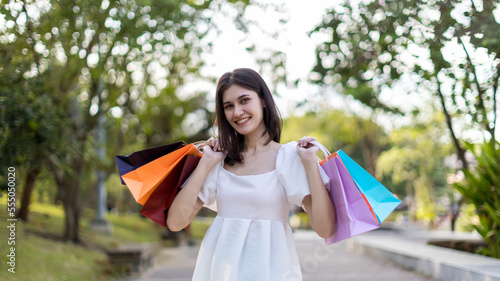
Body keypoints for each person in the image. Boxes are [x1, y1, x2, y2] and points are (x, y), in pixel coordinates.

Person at [167, 68, 336, 281]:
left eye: (244, 100)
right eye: (229, 106)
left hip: (271, 272)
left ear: (263, 101)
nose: (237, 112)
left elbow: (326, 229)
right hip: (220, 272)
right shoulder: (220, 160)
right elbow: (175, 222)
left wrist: (311, 164)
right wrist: (207, 163)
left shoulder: (288, 157)